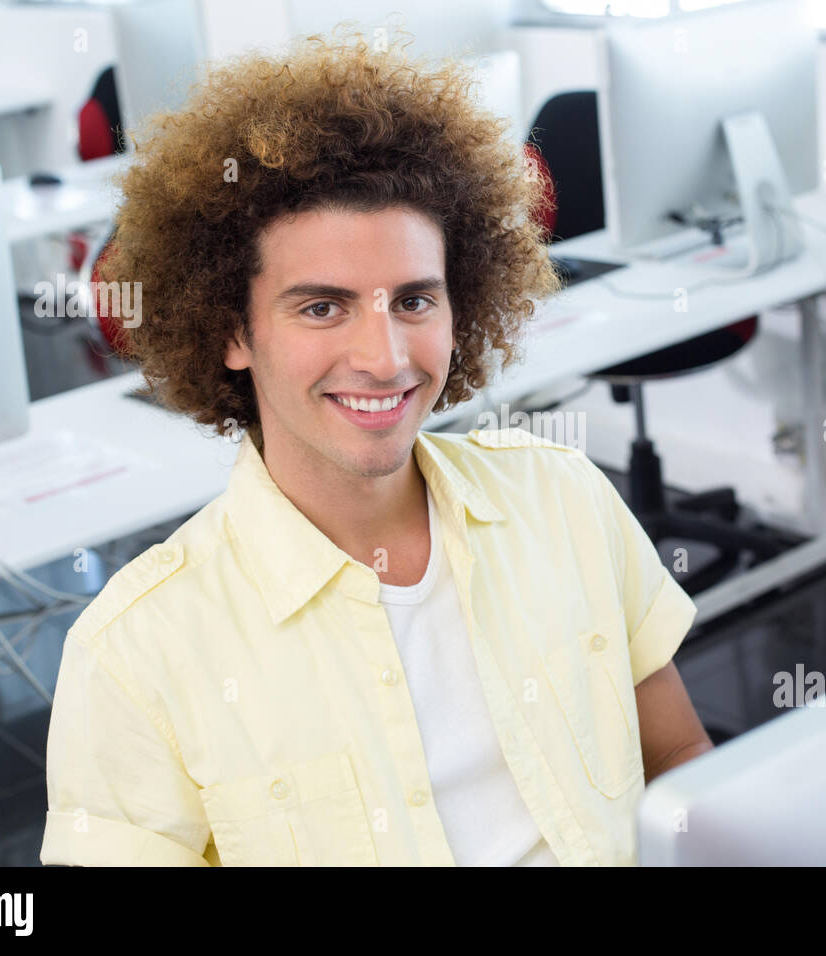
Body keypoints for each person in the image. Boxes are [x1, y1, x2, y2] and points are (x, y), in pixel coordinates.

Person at [40, 27, 711, 867]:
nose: (386, 358)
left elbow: (680, 762)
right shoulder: (137, 652)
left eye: (415, 302)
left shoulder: (565, 499)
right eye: (321, 307)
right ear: (230, 332)